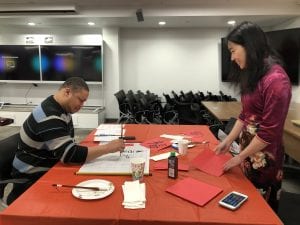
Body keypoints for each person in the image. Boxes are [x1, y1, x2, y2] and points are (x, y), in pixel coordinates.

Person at [7, 77, 125, 204]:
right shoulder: (50, 116)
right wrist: (108, 148)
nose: (81, 105)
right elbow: (69, 155)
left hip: (50, 166)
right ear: (67, 92)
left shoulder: (61, 109)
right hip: (32, 179)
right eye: (80, 100)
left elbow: (68, 145)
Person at [215, 21, 292, 212]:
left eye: (233, 51)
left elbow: (268, 133)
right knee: (246, 201)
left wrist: (239, 157)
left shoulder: (276, 80)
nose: (232, 58)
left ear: (249, 46)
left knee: (262, 207)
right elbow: (245, 114)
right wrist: (228, 141)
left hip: (265, 157)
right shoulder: (254, 74)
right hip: (249, 152)